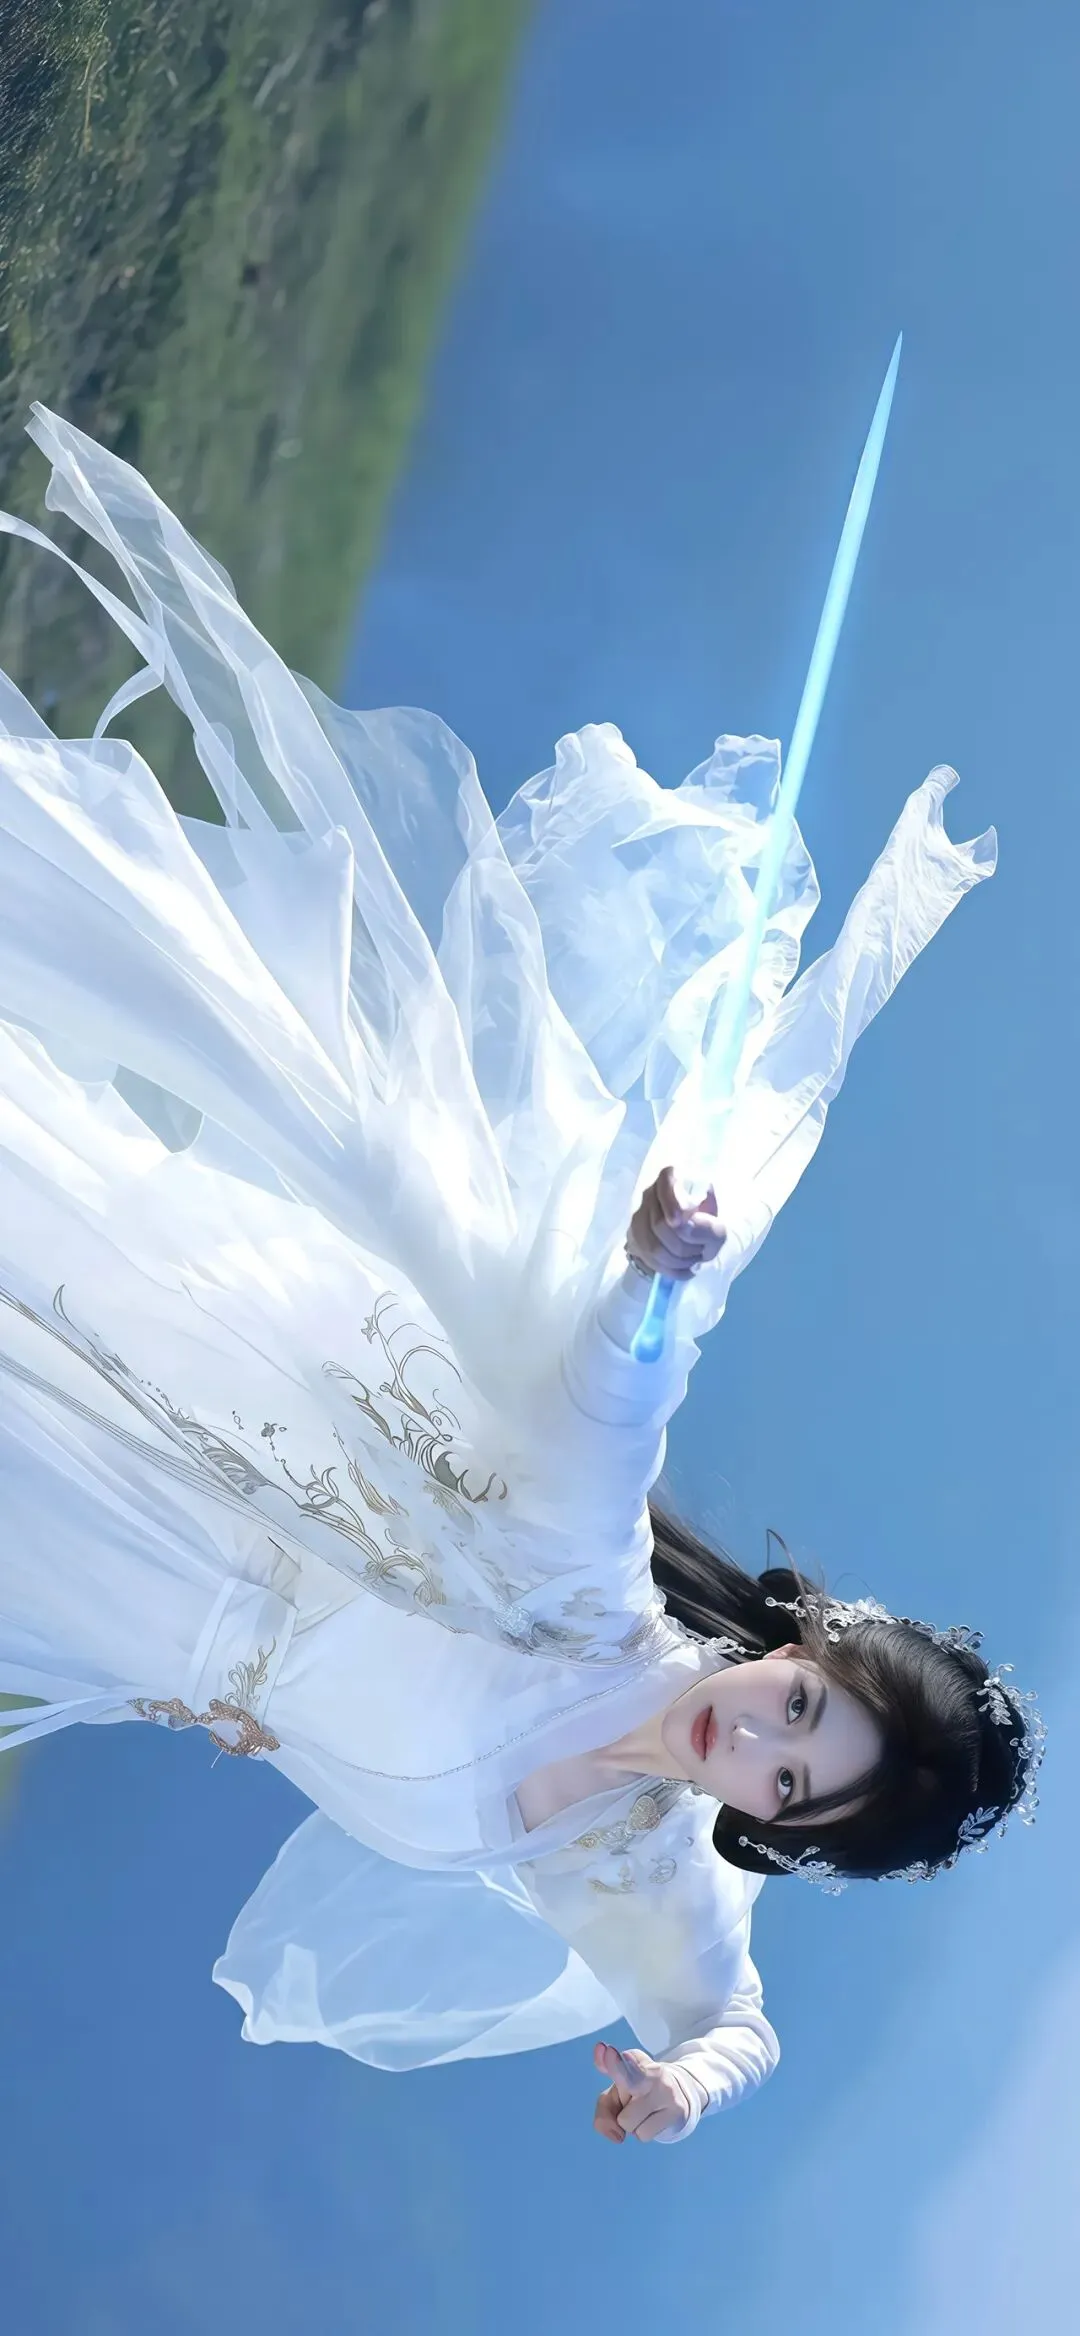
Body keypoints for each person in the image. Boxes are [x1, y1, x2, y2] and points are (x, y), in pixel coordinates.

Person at [0, 406, 1043, 2149]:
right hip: (195, 1448)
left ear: (784, 1830)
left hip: (140, 1614)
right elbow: (611, 1410)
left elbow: (739, 2026)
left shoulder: (649, 1878)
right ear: (801, 1644)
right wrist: (650, 1274)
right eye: (796, 1707)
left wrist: (686, 2086)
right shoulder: (583, 1603)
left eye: (791, 1783)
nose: (754, 1747)